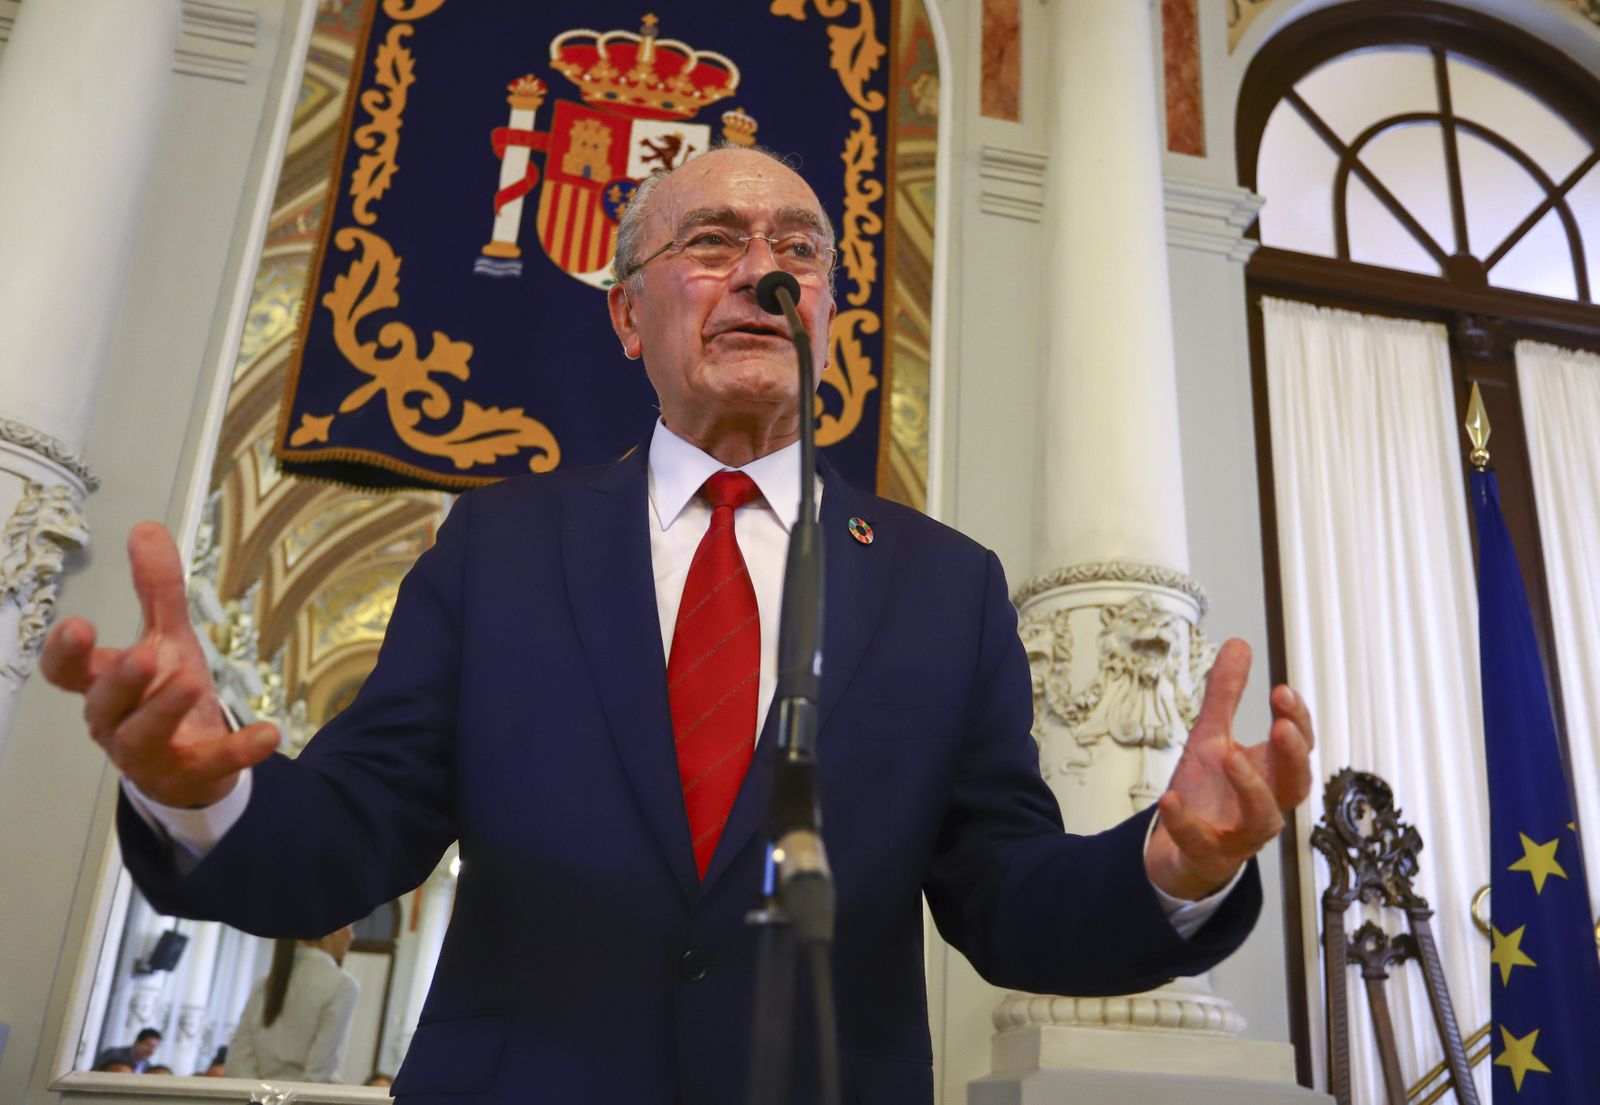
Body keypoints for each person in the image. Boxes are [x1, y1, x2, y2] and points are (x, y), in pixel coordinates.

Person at [41, 146, 1316, 1103]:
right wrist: (193, 798)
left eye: (798, 251)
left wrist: (1171, 865)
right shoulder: (498, 548)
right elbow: (353, 839)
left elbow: (1007, 900)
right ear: (624, 311)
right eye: (712, 241)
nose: (764, 269)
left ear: (826, 313)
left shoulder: (943, 585)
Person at [226, 926, 360, 1083]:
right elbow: (319, 1070)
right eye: (350, 927)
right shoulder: (342, 985)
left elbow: (238, 1061)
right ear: (332, 930)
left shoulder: (263, 984)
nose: (352, 937)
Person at [92, 1026, 161, 1073]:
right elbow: (93, 1074)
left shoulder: (148, 1067)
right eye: (147, 1045)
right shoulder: (113, 1054)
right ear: (137, 1042)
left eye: (154, 1047)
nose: (150, 1051)